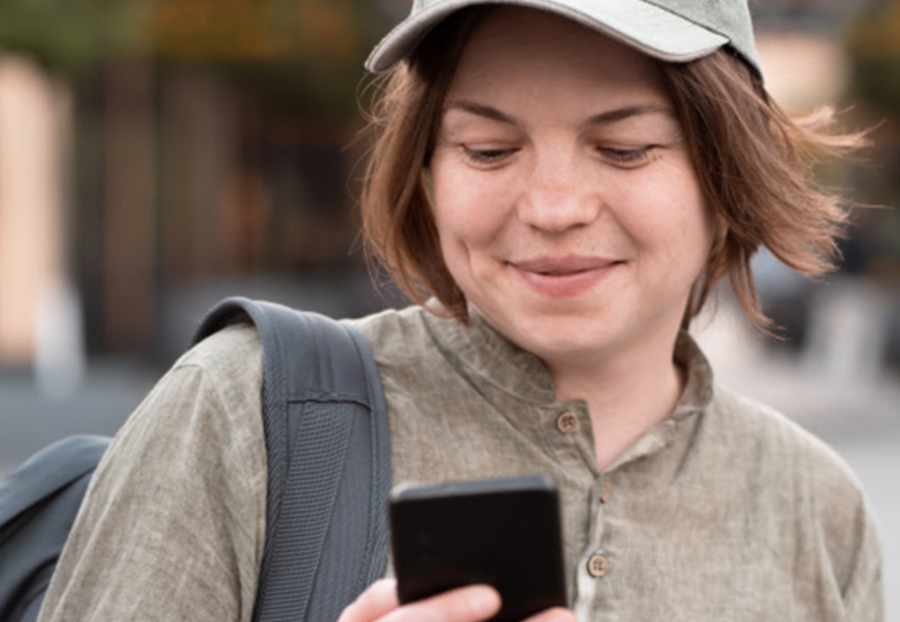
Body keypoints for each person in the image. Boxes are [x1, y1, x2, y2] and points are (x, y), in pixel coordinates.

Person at [38, 1, 883, 621]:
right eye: (488, 150)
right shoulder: (240, 412)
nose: (553, 207)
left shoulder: (817, 509)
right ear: (427, 172)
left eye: (624, 149)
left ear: (728, 170)